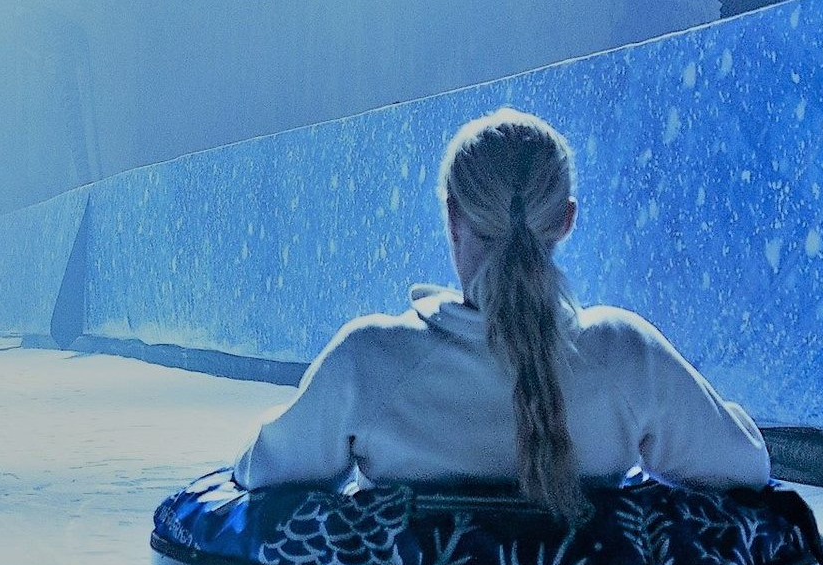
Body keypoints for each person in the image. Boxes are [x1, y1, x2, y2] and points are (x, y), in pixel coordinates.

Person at [232, 108, 769, 523]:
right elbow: (745, 469)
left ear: (452, 218)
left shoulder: (368, 358)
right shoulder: (624, 352)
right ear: (565, 221)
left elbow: (263, 474)